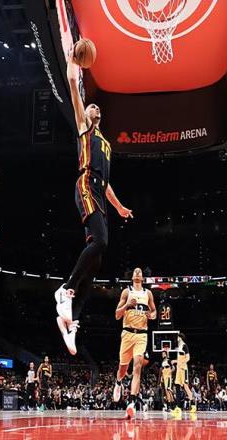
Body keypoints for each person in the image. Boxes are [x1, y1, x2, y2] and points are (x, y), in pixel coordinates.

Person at [54, 43, 133, 356]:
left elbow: (108, 184)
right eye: (91, 106)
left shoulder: (106, 143)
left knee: (98, 259)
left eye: (97, 108)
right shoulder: (83, 127)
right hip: (85, 184)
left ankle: (72, 320)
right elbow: (73, 85)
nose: (94, 108)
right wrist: (74, 64)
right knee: (100, 241)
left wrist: (120, 207)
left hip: (99, 191)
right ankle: (66, 290)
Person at [112, 267, 156, 419]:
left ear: (142, 277)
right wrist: (127, 306)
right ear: (132, 277)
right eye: (135, 271)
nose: (137, 272)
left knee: (137, 366)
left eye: (140, 272)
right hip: (127, 333)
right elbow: (117, 315)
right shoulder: (126, 292)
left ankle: (131, 403)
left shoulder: (148, 294)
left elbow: (154, 312)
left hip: (141, 334)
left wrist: (151, 315)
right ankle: (118, 382)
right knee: (123, 368)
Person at [171, 333, 195, 417]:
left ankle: (193, 405)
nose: (177, 338)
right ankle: (178, 407)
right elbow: (180, 359)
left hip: (183, 369)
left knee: (185, 387)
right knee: (177, 386)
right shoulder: (179, 346)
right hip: (178, 369)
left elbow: (188, 358)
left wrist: (180, 362)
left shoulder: (185, 346)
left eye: (178, 337)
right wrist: (176, 361)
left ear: (180, 337)